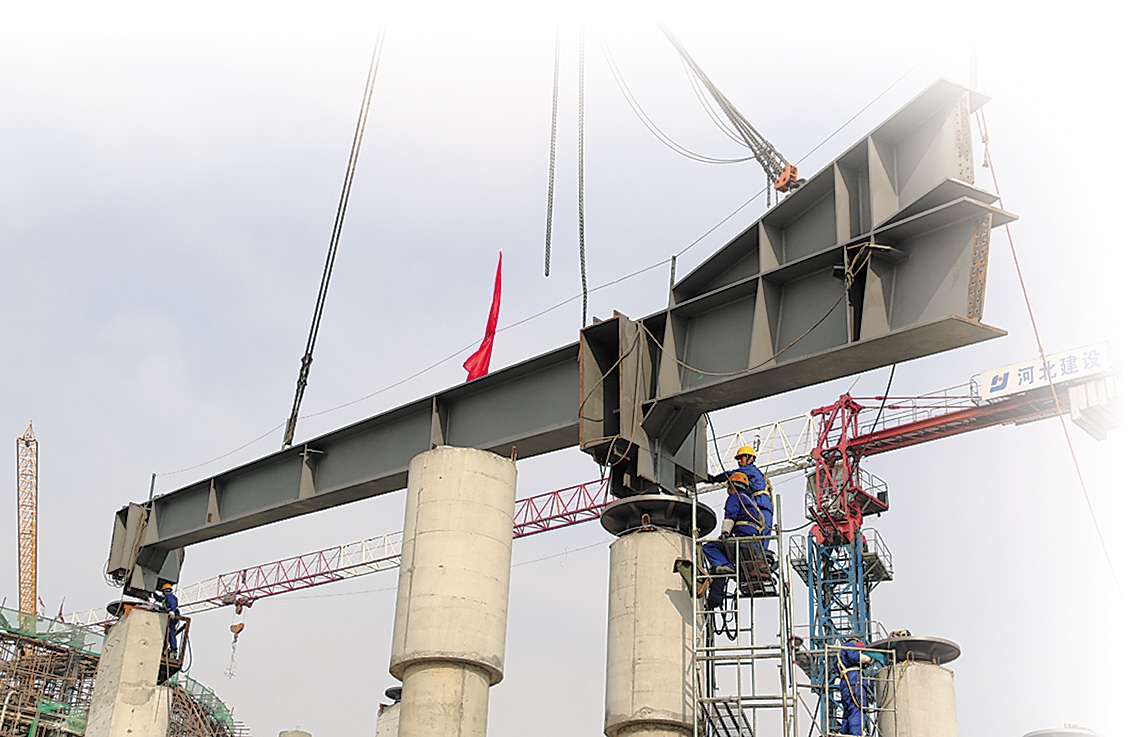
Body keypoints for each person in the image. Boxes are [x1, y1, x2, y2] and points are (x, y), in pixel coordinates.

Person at [838, 639, 874, 736]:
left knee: (847, 711)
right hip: (855, 682)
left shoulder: (839, 654)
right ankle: (857, 734)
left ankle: (846, 733)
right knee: (857, 709)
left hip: (845, 683)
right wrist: (868, 659)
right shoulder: (850, 646)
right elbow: (854, 656)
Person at [157, 583, 181, 653]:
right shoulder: (166, 597)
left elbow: (173, 603)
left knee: (171, 632)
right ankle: (171, 648)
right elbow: (160, 599)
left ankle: (173, 648)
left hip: (173, 616)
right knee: (169, 632)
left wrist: (172, 611)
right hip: (170, 614)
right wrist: (154, 594)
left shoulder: (169, 596)